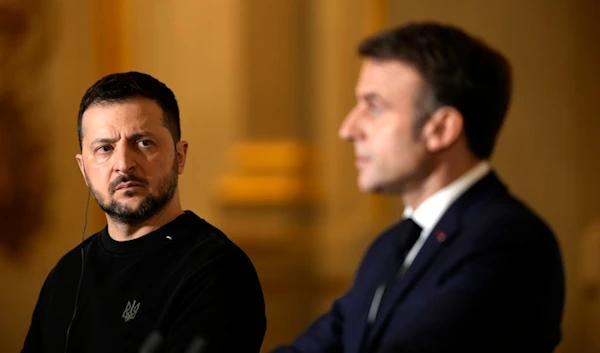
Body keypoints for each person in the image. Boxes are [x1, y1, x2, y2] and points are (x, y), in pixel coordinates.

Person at [271, 22, 565, 353]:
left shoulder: (509, 242)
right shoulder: (388, 246)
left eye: (374, 106)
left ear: (440, 129)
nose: (348, 128)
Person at [21, 72, 267, 353]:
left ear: (180, 156)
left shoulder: (217, 271)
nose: (124, 164)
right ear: (84, 169)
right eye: (105, 148)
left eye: (143, 143)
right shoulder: (66, 274)